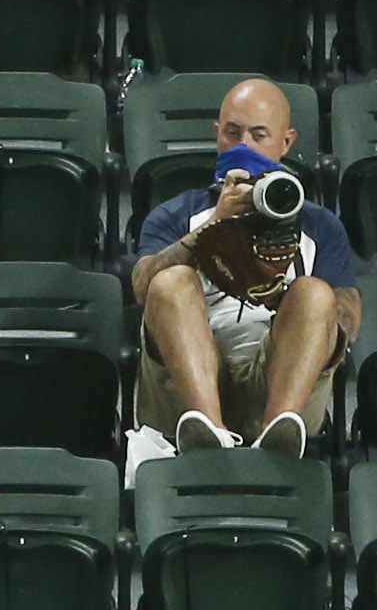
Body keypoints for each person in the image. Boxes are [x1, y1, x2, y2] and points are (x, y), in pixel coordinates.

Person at [128, 80, 356, 458]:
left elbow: (349, 317)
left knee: (316, 294)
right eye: (232, 133)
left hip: (276, 375)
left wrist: (279, 294)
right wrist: (209, 230)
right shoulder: (175, 213)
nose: (243, 147)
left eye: (258, 135)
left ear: (286, 142)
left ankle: (279, 432)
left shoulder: (320, 226)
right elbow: (141, 289)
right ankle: (208, 430)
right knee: (170, 281)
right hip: (188, 380)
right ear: (217, 135)